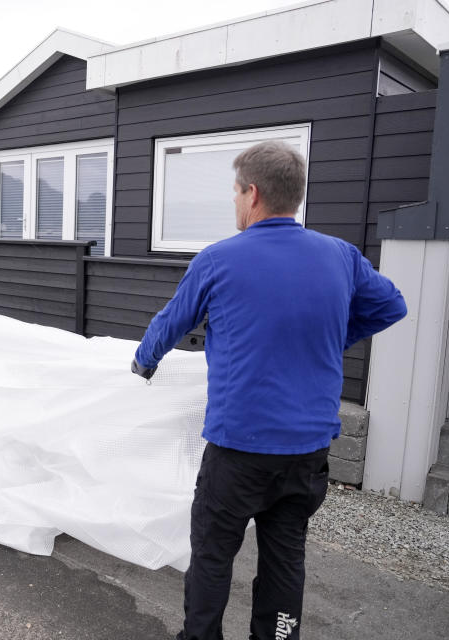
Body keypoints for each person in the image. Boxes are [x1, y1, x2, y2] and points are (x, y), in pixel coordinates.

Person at [131, 141, 407, 640]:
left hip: (239, 449)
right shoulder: (340, 256)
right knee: (285, 561)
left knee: (214, 556)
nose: (234, 203)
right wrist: (328, 339)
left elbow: (170, 324)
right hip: (307, 452)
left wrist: (143, 363)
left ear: (252, 193)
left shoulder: (219, 259)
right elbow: (391, 306)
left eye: (235, 193)